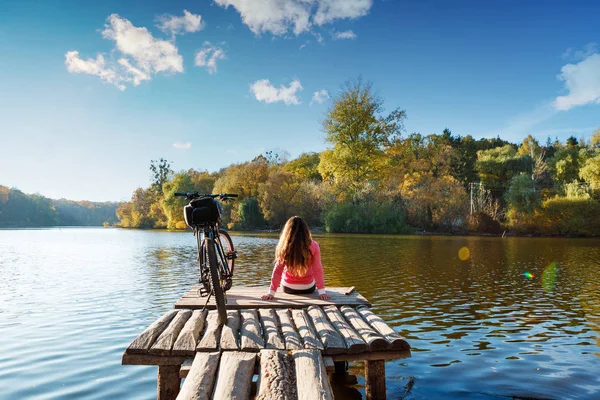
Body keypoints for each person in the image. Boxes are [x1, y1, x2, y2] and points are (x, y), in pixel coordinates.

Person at [261, 216, 330, 300]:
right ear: (305, 231)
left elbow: (277, 271)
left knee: (282, 274)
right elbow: (318, 270)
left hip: (288, 288)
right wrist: (322, 292)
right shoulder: (314, 245)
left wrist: (271, 293)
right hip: (308, 288)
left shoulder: (284, 246)